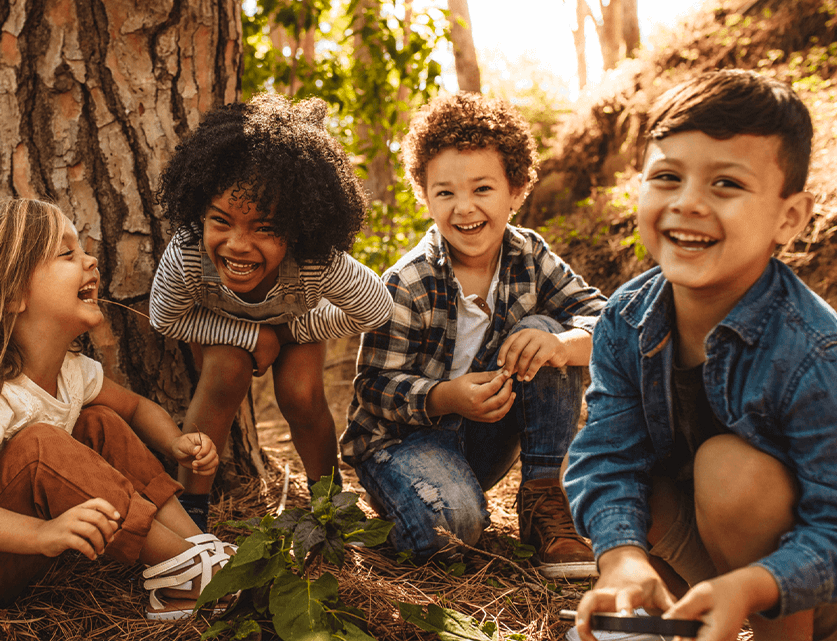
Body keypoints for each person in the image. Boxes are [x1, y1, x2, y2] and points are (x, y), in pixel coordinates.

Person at [564, 69, 837, 641]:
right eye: (667, 177)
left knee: (731, 472)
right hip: (713, 557)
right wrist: (620, 558)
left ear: (788, 218)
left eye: (726, 185)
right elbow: (607, 455)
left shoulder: (813, 351)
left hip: (810, 577)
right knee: (643, 495)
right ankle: (665, 625)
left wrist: (755, 585)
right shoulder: (626, 318)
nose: (687, 204)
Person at [0, 198, 234, 620]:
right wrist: (42, 533)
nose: (91, 260)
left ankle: (195, 549)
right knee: (42, 444)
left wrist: (174, 442)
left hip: (9, 547)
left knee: (98, 421)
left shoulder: (73, 372)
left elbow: (135, 409)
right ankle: (189, 573)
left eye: (82, 249)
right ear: (11, 294)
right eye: (67, 253)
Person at [340, 92, 607, 576]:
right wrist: (445, 397)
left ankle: (544, 498)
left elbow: (608, 320)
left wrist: (563, 344)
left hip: (484, 437)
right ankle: (425, 506)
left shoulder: (530, 255)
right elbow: (373, 387)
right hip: (403, 444)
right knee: (452, 529)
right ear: (425, 197)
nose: (464, 209)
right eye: (445, 193)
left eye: (482, 189)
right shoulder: (408, 281)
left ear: (517, 190)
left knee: (544, 332)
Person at [148, 94, 394, 531]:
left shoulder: (315, 261)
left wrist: (290, 331)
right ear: (200, 213)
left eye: (264, 228)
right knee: (224, 372)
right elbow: (165, 318)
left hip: (296, 326)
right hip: (223, 331)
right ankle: (190, 520)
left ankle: (330, 508)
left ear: (298, 229)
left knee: (300, 394)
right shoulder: (188, 253)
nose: (238, 244)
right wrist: (249, 337)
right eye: (221, 221)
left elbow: (374, 308)